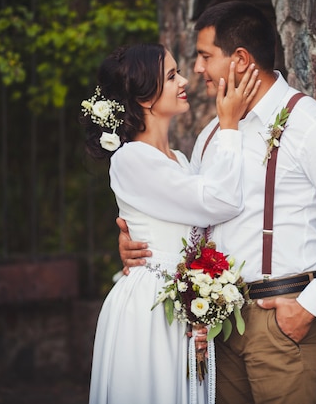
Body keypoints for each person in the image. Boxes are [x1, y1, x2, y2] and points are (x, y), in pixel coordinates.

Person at [118, 1, 316, 404]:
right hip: (220, 330)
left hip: (281, 326)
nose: (197, 70)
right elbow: (193, 219)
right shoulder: (213, 133)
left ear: (241, 60)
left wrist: (308, 309)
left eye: (205, 57)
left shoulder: (310, 125)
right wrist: (136, 242)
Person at [83, 42, 260, 404]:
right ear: (145, 98)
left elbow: (198, 222)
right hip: (149, 309)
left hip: (179, 303)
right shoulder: (130, 158)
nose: (183, 81)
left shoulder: (179, 158)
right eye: (170, 75)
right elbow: (220, 202)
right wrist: (229, 126)